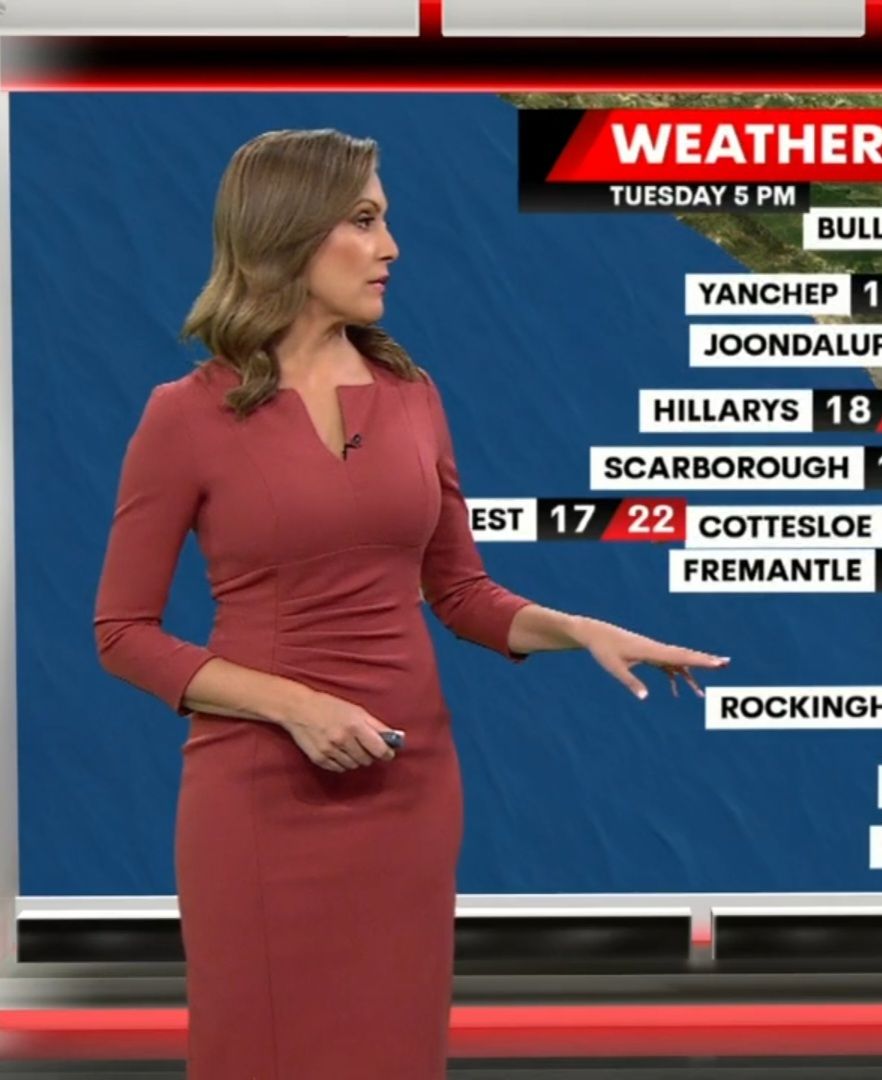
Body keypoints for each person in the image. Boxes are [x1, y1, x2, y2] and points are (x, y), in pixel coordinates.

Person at [93, 127, 730, 1080]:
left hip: (408, 788)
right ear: (288, 230)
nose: (390, 246)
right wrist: (297, 707)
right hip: (260, 796)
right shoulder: (184, 416)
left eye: (385, 220)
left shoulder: (412, 394)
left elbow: (459, 591)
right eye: (364, 220)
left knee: (394, 1049)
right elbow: (123, 634)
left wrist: (578, 629)